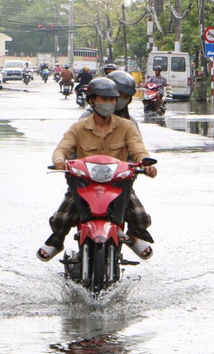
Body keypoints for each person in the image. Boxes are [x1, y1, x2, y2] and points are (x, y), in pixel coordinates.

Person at [36, 78, 158, 262]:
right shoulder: (79, 127)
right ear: (92, 100)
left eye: (112, 99)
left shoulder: (127, 126)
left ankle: (132, 236)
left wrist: (146, 164)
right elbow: (62, 149)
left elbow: (139, 150)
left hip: (118, 186)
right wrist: (60, 160)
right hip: (84, 185)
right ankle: (57, 241)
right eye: (104, 99)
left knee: (140, 218)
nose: (109, 103)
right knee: (61, 219)